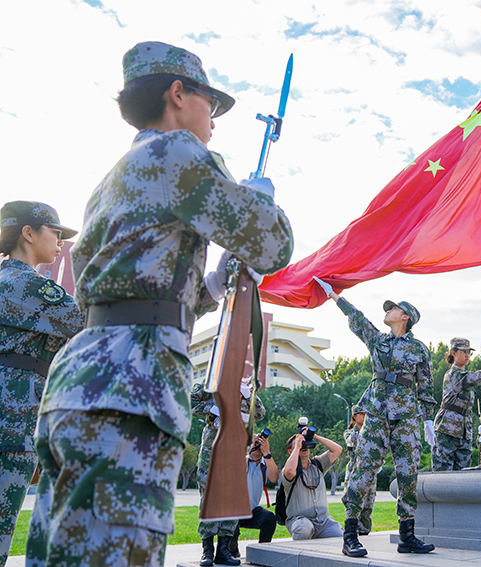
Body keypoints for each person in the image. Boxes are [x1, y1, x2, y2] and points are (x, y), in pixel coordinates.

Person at [26, 41, 293, 567]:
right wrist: (261, 197)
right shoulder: (176, 152)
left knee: (64, 555)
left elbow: (147, 290)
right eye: (209, 105)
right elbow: (273, 243)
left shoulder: (116, 177)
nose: (213, 121)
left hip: (84, 377)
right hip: (131, 383)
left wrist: (214, 283)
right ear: (177, 94)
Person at [314, 277, 436, 557]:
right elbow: (358, 319)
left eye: (393, 308)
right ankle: (350, 535)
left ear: (405, 317)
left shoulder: (418, 349)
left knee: (408, 474)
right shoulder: (378, 340)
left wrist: (427, 419)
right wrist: (335, 296)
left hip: (406, 417)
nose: (387, 311)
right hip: (378, 413)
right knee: (363, 472)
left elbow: (426, 386)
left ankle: (407, 535)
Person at [0, 202, 84, 567]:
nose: (61, 241)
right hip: (10, 418)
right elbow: (84, 318)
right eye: (56, 232)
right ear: (28, 233)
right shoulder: (23, 283)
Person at [191, 379, 265, 566]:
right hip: (211, 454)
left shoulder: (246, 389)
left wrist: (249, 396)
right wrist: (217, 406)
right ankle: (207, 551)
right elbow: (192, 404)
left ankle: (224, 549)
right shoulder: (211, 384)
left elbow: (258, 414)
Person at [432, 337, 481, 471]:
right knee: (444, 474)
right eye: (463, 352)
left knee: (464, 474)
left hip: (464, 430)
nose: (467, 355)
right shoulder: (454, 375)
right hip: (447, 429)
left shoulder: (462, 375)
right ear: (454, 353)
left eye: (469, 352)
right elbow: (475, 377)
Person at [280, 427, 343, 540]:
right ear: (290, 451)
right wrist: (297, 446)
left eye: (305, 443)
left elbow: (337, 450)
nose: (303, 446)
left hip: (323, 521)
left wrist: (314, 437)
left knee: (339, 534)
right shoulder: (290, 469)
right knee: (304, 528)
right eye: (299, 444)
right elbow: (289, 471)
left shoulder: (318, 464)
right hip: (299, 520)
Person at [232, 431, 279, 548]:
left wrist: (267, 452)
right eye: (256, 443)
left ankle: (263, 549)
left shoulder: (265, 464)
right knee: (231, 530)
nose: (257, 446)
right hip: (233, 511)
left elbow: (274, 478)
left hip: (252, 510)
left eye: (260, 443)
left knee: (270, 518)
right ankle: (231, 550)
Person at [343, 406, 374, 535]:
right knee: (353, 500)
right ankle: (352, 530)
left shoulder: (372, 432)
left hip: (370, 471)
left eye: (366, 414)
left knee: (368, 502)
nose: (364, 416)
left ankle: (365, 530)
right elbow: (354, 441)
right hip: (354, 470)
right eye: (361, 414)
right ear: (354, 416)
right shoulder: (349, 433)